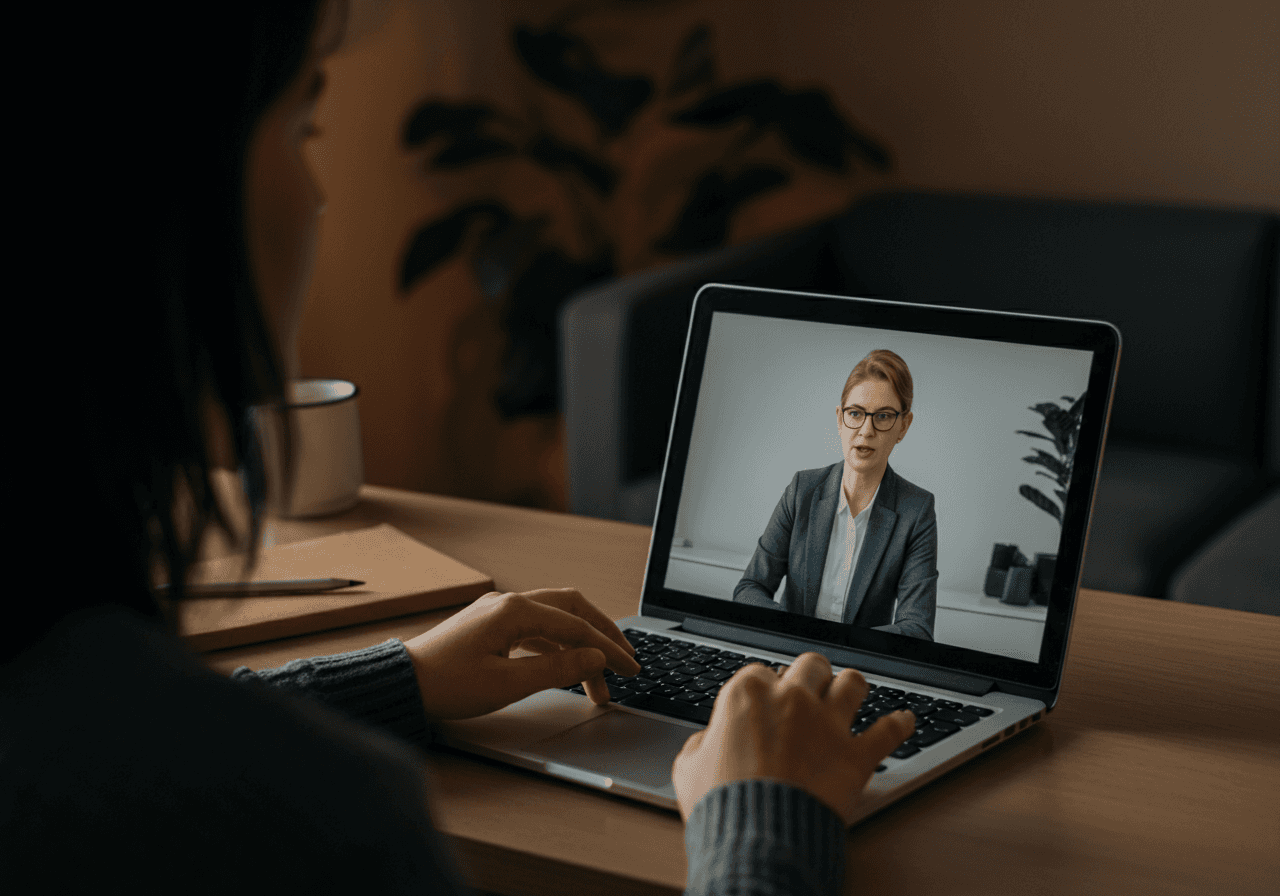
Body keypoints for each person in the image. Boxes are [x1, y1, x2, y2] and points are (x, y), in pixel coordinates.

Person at [1, 3, 914, 893]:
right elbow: (757, 590)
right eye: (302, 129)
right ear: (156, 187)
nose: (317, 195)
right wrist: (764, 821)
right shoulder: (315, 819)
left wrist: (394, 679)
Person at [734, 350, 938, 640]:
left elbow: (917, 628)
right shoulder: (802, 489)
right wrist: (796, 634)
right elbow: (750, 588)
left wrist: (844, 648)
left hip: (859, 669)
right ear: (840, 419)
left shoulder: (916, 511)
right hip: (789, 655)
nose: (866, 431)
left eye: (883, 416)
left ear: (903, 426)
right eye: (855, 413)